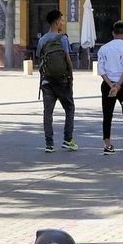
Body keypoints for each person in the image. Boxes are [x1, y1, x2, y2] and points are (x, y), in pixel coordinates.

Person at [34, 10, 77, 153]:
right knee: (69, 108)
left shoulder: (42, 40)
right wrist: (71, 77)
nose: (63, 23)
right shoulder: (63, 39)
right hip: (62, 80)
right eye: (62, 20)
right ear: (57, 21)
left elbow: (40, 59)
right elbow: (68, 60)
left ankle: (49, 144)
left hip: (47, 81)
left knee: (48, 112)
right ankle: (68, 140)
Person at [97, 21, 123, 154]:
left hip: (107, 84)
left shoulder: (103, 48)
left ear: (113, 33)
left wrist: (111, 85)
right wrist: (118, 85)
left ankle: (107, 144)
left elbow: (101, 69)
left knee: (107, 114)